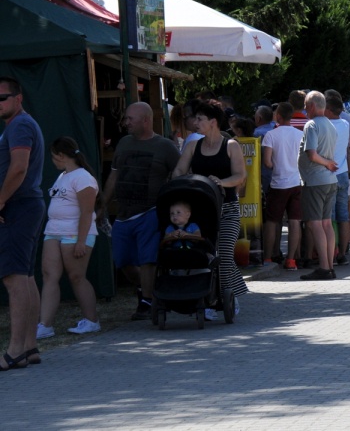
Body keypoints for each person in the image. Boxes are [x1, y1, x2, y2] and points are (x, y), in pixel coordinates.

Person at [102, 102, 180, 321]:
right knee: (122, 260)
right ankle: (147, 289)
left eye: (130, 119)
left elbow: (181, 174)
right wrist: (103, 206)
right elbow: (114, 176)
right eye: (126, 119)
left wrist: (175, 207)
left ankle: (147, 301)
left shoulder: (165, 147)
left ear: (146, 120)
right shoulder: (124, 143)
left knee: (148, 259)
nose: (125, 123)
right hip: (124, 214)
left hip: (151, 211)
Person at [172, 100, 249, 318]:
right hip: (200, 211)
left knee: (223, 254)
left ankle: (225, 298)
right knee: (205, 254)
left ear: (213, 122)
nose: (194, 122)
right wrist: (179, 180)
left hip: (228, 210)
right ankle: (215, 297)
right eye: (194, 118)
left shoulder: (231, 145)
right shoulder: (193, 146)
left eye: (199, 119)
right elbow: (179, 169)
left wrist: (220, 182)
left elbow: (240, 176)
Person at [0, 77, 44, 369]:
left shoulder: (20, 125)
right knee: (25, 277)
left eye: (2, 97)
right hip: (25, 206)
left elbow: (19, 168)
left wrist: (0, 201)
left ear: (19, 98)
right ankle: (29, 347)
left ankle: (16, 350)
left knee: (14, 278)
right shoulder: (17, 126)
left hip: (19, 207)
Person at [38, 137, 102, 338]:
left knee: (76, 276)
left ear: (61, 155)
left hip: (75, 233)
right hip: (53, 231)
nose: (52, 161)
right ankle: (44, 325)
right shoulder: (62, 176)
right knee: (49, 275)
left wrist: (81, 241)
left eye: (53, 156)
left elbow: (87, 211)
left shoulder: (83, 177)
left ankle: (92, 321)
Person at [297, 92, 340, 280]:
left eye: (306, 105)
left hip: (315, 181)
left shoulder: (312, 124)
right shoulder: (331, 125)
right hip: (330, 181)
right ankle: (329, 265)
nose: (305, 109)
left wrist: (326, 164)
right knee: (326, 224)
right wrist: (329, 164)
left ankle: (324, 267)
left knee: (315, 224)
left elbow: (312, 154)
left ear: (313, 106)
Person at [261, 102, 304, 269]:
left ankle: (268, 257)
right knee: (295, 221)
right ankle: (291, 259)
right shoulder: (300, 134)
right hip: (296, 182)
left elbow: (267, 163)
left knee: (272, 221)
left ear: (278, 116)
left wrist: (275, 164)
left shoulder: (271, 135)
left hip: (278, 183)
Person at [325, 94, 350, 265]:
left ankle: (332, 252)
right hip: (343, 172)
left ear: (328, 109)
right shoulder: (345, 123)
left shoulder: (326, 126)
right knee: (343, 216)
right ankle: (342, 253)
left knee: (331, 217)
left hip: (329, 173)